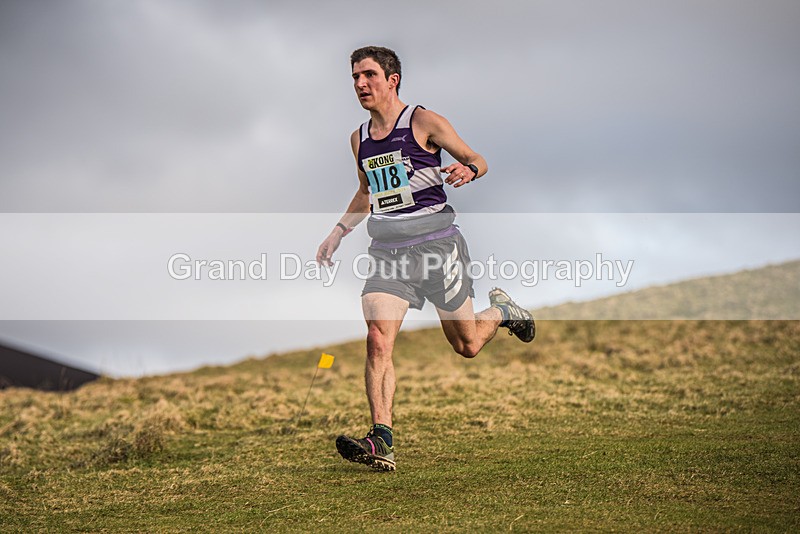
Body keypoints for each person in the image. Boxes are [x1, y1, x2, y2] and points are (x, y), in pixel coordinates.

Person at [316, 46, 534, 471]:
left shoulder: (423, 122)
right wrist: (338, 231)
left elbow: (477, 159)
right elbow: (366, 193)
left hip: (438, 247)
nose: (360, 84)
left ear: (392, 79)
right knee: (377, 338)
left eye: (369, 75)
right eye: (355, 77)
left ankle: (503, 312)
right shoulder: (359, 139)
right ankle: (382, 439)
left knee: (467, 344)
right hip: (388, 253)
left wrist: (469, 170)